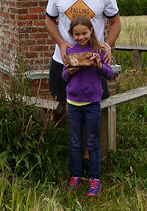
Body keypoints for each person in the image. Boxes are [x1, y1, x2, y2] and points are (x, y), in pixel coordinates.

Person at [45, 0, 121, 105]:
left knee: (97, 107)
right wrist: (61, 43)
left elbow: (116, 22)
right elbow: (49, 20)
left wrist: (107, 45)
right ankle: (62, 131)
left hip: (94, 62)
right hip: (62, 60)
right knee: (59, 106)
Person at [62, 16, 114, 197]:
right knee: (75, 142)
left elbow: (110, 74)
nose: (81, 37)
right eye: (76, 34)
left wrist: (99, 64)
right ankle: (75, 177)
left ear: (91, 31)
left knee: (92, 141)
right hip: (73, 103)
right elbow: (64, 77)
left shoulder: (98, 51)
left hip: (92, 103)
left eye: (84, 33)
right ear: (72, 35)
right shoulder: (71, 51)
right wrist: (68, 71)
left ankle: (95, 180)